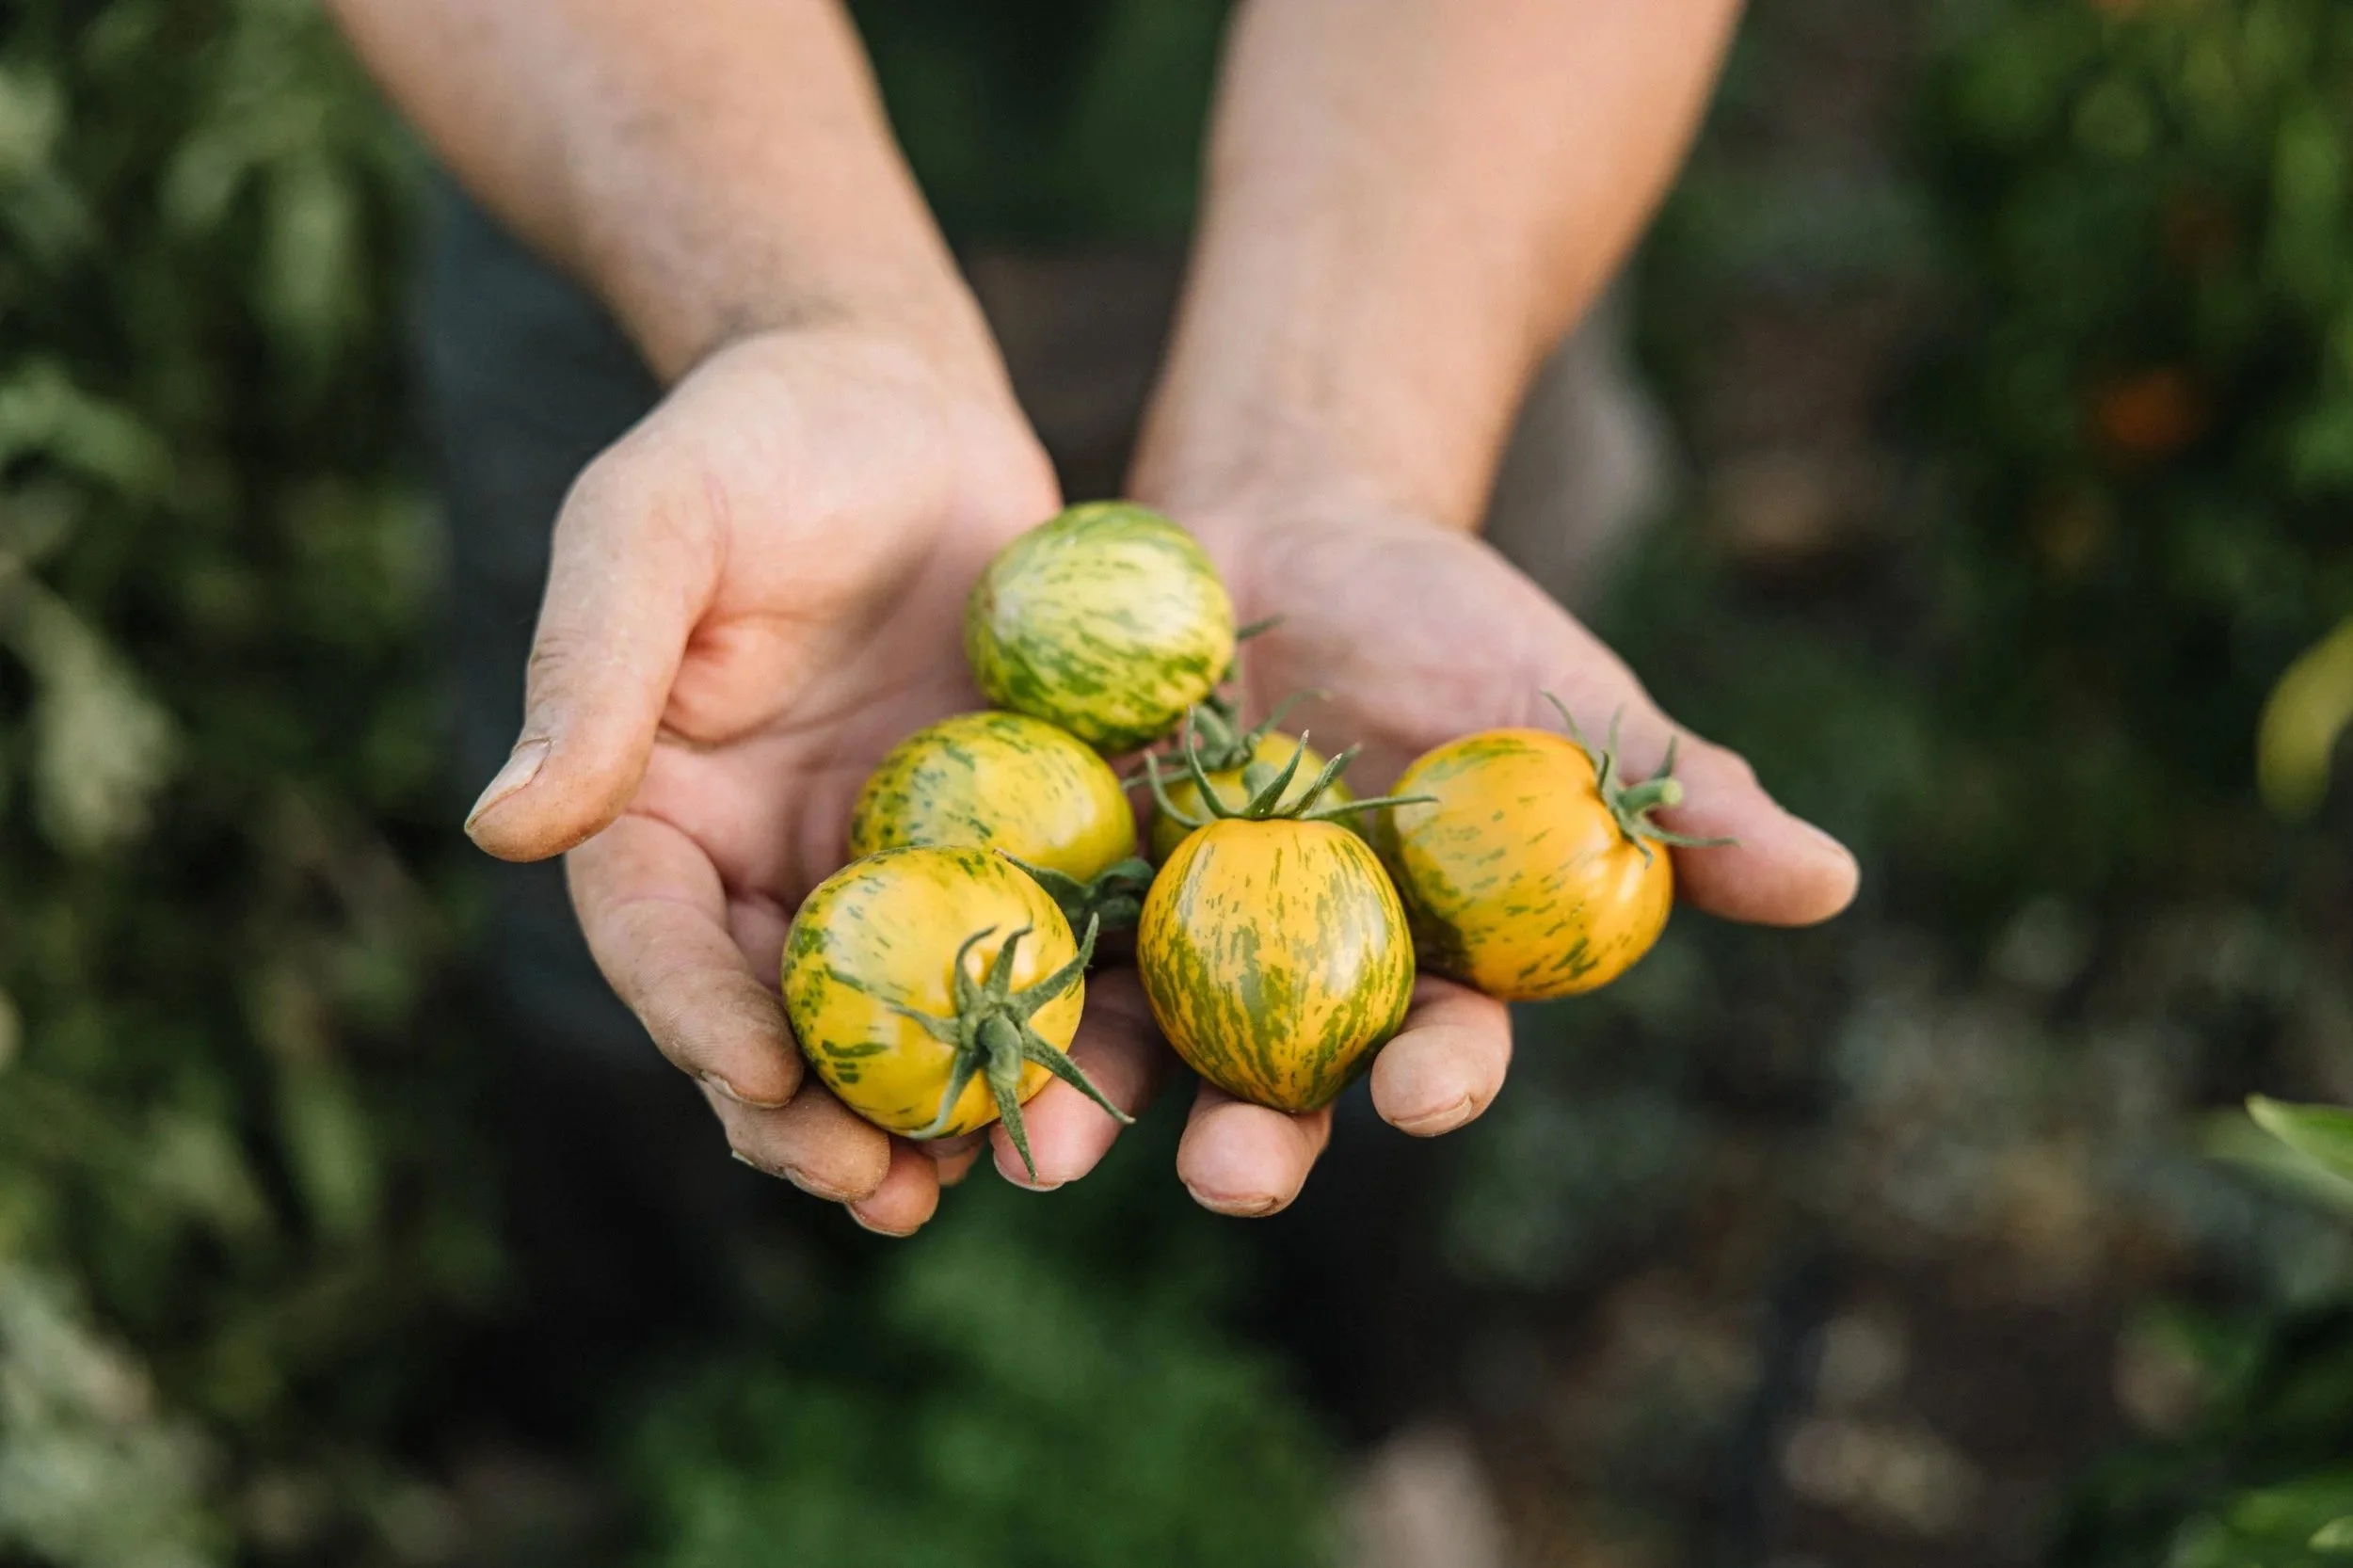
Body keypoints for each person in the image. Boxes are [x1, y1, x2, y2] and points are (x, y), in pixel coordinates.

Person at [327, 0, 1858, 1239]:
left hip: (1422, 167)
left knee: (1405, 1078)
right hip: (638, 141)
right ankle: (626, 1355)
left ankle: (1362, 1393)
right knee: (625, 878)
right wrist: (805, 321)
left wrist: (1339, 447)